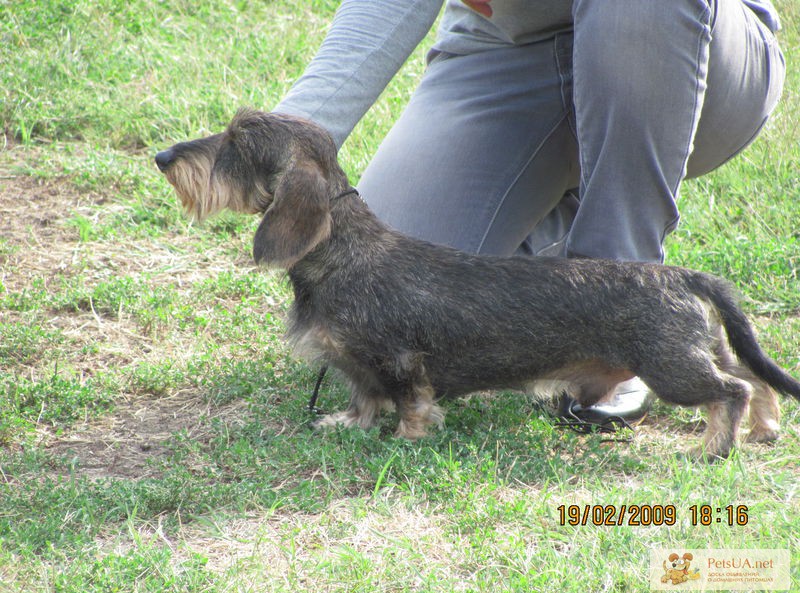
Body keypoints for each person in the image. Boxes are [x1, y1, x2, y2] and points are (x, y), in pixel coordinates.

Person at [273, 0, 785, 422]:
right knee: (387, 286)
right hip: (509, 50)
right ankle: (558, 217)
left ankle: (620, 297)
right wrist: (287, 144)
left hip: (684, 37)